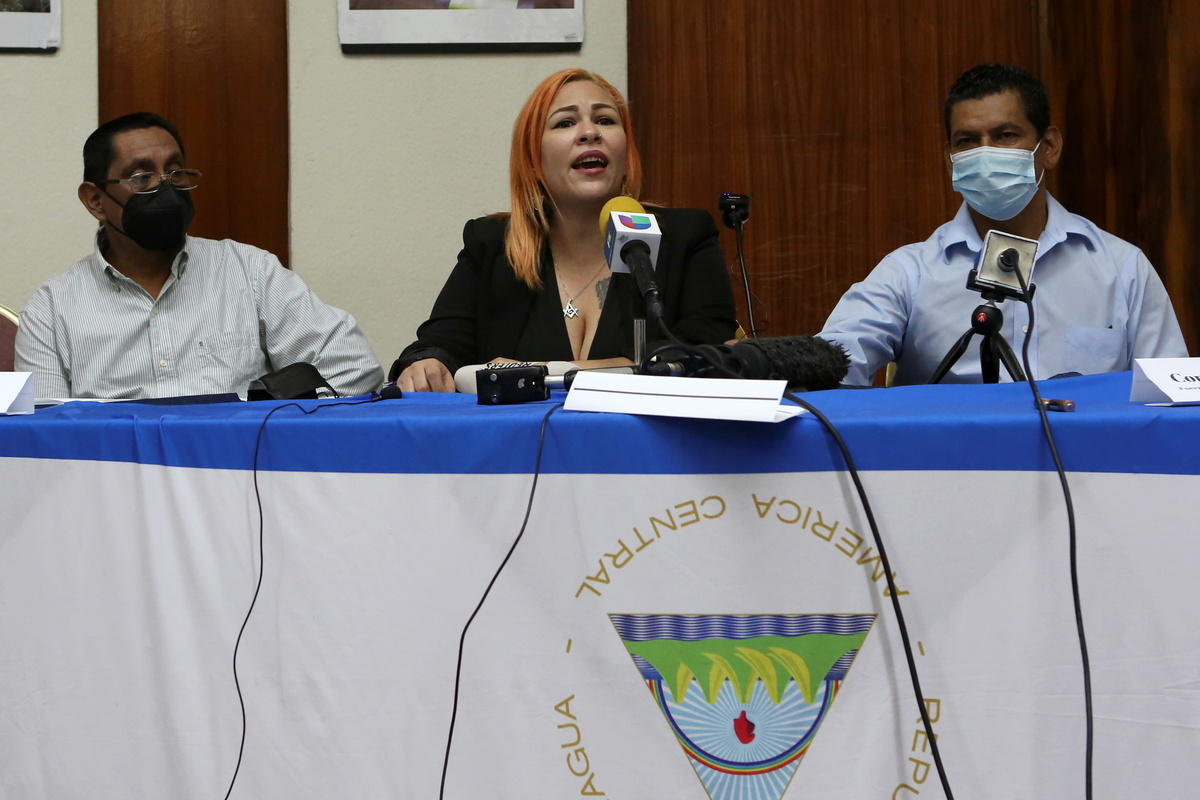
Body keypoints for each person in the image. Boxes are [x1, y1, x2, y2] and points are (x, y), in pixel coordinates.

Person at [818, 63, 1187, 386]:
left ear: (1049, 147)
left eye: (1005, 135)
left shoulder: (1122, 268)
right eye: (967, 141)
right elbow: (832, 364)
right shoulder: (909, 273)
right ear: (950, 159)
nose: (986, 152)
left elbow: (1172, 396)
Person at [390, 68, 737, 391]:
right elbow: (439, 345)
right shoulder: (492, 245)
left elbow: (706, 354)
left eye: (605, 120)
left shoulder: (683, 237)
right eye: (565, 122)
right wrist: (428, 364)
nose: (590, 132)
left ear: (626, 153)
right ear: (533, 159)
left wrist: (544, 371)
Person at [15, 112, 383, 399]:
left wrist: (271, 426)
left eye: (175, 172)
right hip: (116, 471)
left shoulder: (250, 272)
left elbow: (353, 368)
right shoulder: (52, 309)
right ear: (95, 200)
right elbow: (44, 432)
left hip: (238, 466)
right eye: (141, 178)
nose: (165, 187)